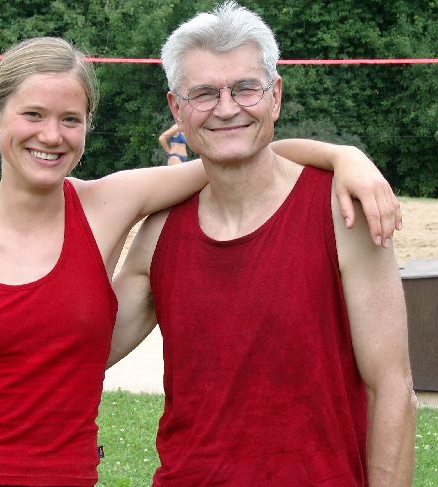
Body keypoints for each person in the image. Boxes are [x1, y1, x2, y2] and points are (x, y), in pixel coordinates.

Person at [0, 36, 400, 487]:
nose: (51, 135)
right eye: (33, 114)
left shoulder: (110, 205)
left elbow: (239, 149)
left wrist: (344, 156)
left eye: (70, 119)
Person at [109, 3, 416, 486]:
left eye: (245, 88)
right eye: (204, 93)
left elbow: (392, 390)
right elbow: (85, 351)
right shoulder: (159, 233)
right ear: (176, 109)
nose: (226, 108)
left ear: (275, 97)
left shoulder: (342, 214)